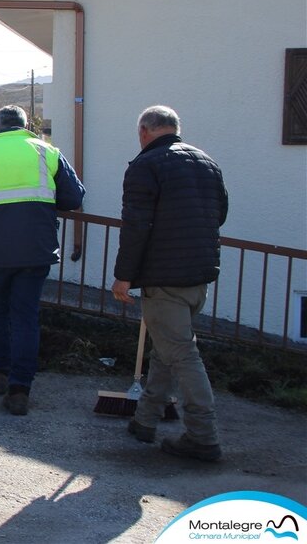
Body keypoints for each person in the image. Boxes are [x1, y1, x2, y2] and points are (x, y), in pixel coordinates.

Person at [111, 105, 228, 462]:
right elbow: (220, 213)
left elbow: (136, 227)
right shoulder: (206, 162)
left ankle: (203, 436)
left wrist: (123, 277)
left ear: (144, 131)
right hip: (200, 274)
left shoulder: (145, 167)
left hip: (165, 279)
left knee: (181, 354)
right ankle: (145, 421)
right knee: (166, 350)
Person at [0, 105, 84, 415]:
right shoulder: (47, 152)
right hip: (35, 250)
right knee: (25, 316)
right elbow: (74, 198)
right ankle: (19, 389)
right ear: (27, 126)